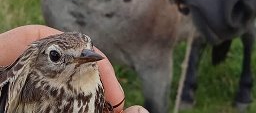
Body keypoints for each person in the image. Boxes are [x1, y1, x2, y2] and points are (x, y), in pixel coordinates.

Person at [0, 25, 148, 113]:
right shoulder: (37, 96)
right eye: (55, 56)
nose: (86, 55)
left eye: (88, 48)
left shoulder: (96, 85)